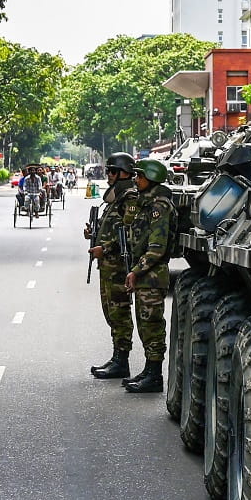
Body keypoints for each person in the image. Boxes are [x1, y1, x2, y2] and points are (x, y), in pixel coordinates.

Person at [118, 157, 177, 394]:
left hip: (152, 275)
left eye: (140, 176)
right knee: (144, 324)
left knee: (152, 325)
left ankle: (154, 375)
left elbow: (157, 248)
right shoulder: (145, 203)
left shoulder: (159, 207)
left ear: (151, 178)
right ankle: (148, 370)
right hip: (144, 274)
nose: (136, 179)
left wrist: (136, 270)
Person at [87, 154, 139, 380]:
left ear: (123, 172)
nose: (107, 175)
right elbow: (112, 228)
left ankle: (122, 360)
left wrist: (105, 249)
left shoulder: (129, 198)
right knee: (111, 312)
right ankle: (117, 357)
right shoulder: (115, 197)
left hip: (118, 265)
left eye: (111, 171)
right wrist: (94, 235)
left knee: (119, 313)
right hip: (108, 265)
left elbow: (129, 233)